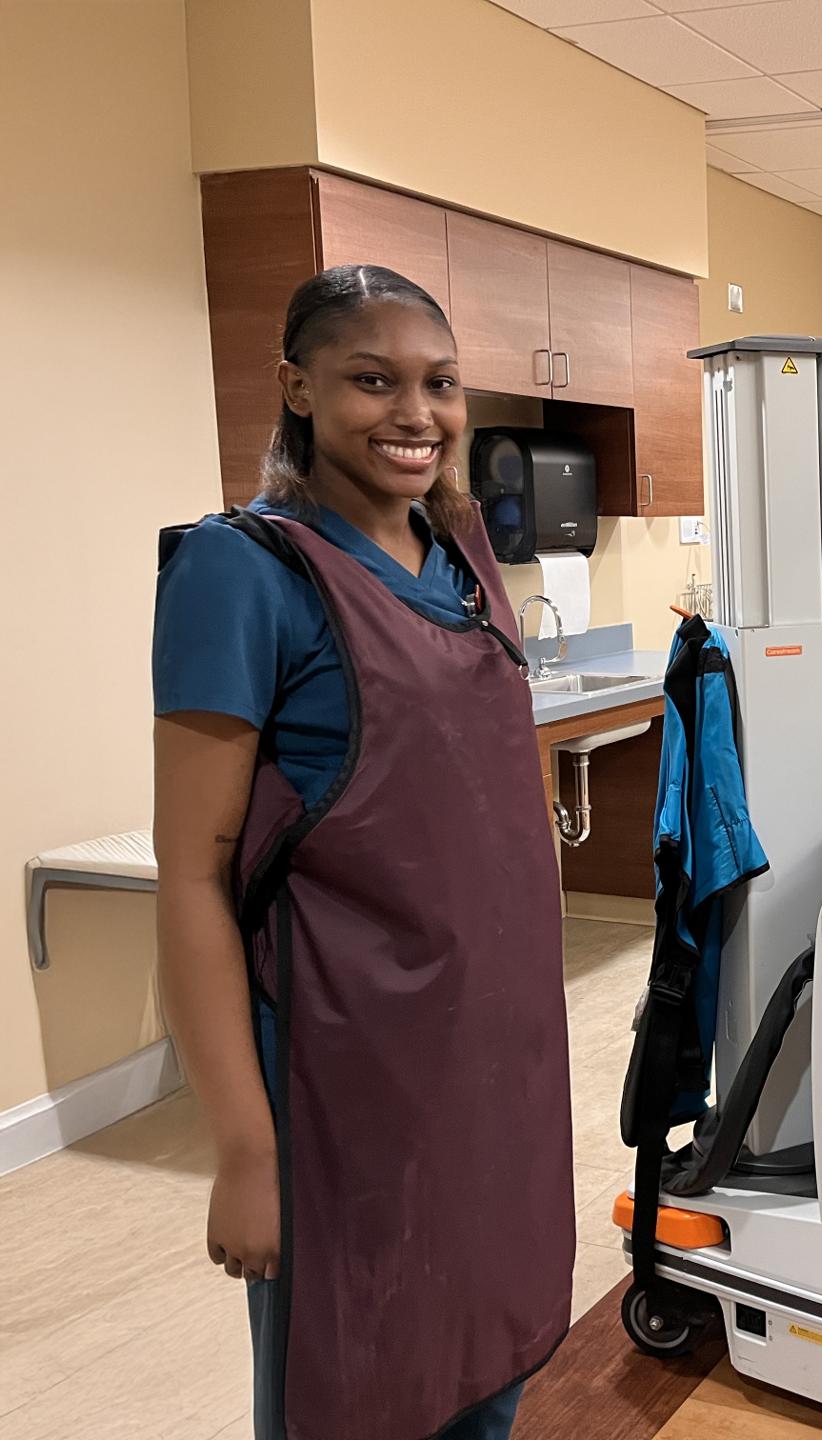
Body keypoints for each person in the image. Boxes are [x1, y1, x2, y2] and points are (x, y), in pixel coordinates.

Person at [153, 265, 573, 1440]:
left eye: (440, 385)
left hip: (495, 1076)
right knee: (361, 1387)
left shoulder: (461, 550)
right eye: (370, 381)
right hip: (348, 1084)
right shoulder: (243, 572)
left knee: (484, 1365)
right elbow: (191, 874)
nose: (416, 415)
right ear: (295, 387)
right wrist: (244, 1149)